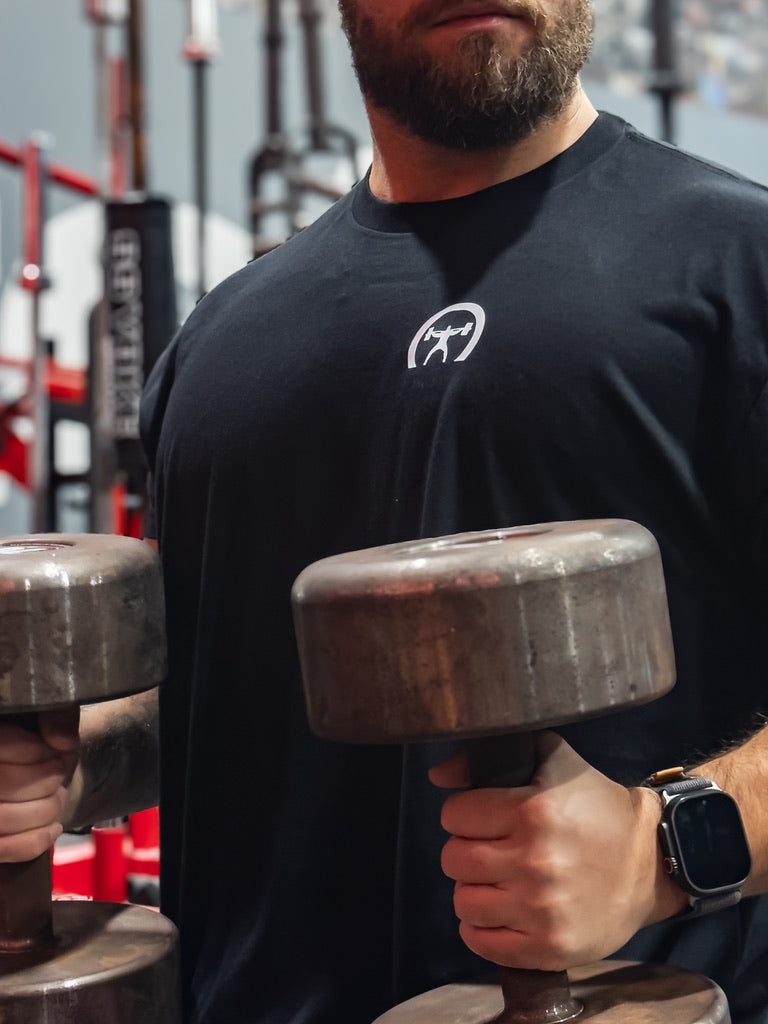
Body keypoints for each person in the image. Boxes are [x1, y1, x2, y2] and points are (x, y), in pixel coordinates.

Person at [1, 0, 768, 1022]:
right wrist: (69, 758)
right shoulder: (222, 342)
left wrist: (662, 846)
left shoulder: (738, 267)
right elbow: (218, 693)